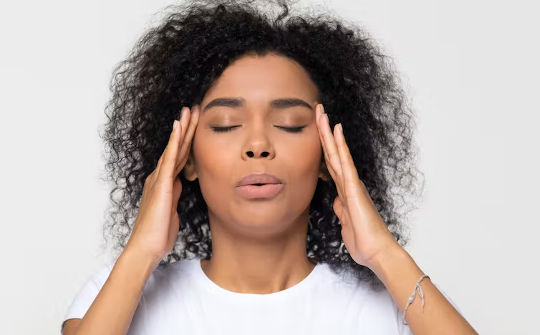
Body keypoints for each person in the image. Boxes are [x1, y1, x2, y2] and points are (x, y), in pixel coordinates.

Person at [61, 0, 478, 334]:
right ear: (184, 157)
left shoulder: (391, 306)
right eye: (226, 125)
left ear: (327, 156)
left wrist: (383, 253)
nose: (258, 145)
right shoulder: (118, 296)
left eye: (290, 125)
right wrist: (142, 251)